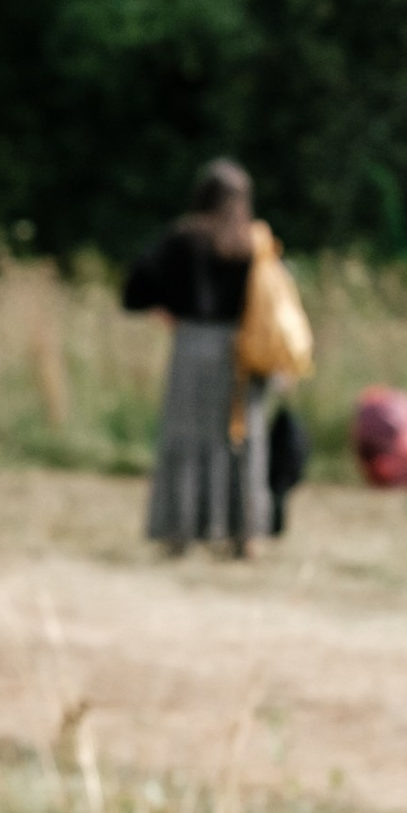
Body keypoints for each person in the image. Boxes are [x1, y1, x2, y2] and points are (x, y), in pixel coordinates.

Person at [122, 158, 274, 555]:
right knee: (241, 441)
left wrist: (168, 311)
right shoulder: (256, 243)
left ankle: (180, 532)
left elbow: (134, 290)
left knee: (186, 441)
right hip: (241, 352)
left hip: (192, 349)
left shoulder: (182, 239)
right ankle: (244, 536)